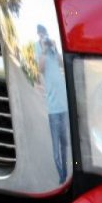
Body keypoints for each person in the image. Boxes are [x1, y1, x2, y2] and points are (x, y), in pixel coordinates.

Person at [35, 24, 69, 184]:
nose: (44, 37)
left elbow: (62, 64)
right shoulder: (38, 48)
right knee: (56, 147)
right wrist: (43, 49)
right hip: (53, 107)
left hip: (64, 104)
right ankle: (61, 175)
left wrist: (55, 48)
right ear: (38, 35)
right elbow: (40, 69)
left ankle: (68, 171)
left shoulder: (53, 49)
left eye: (45, 34)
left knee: (65, 143)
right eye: (41, 34)